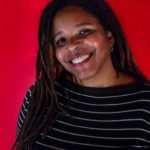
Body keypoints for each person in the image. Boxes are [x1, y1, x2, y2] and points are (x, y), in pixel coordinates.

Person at [14, 0, 150, 149]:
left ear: (109, 38)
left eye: (84, 31)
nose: (72, 45)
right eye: (61, 41)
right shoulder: (39, 98)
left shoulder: (145, 105)